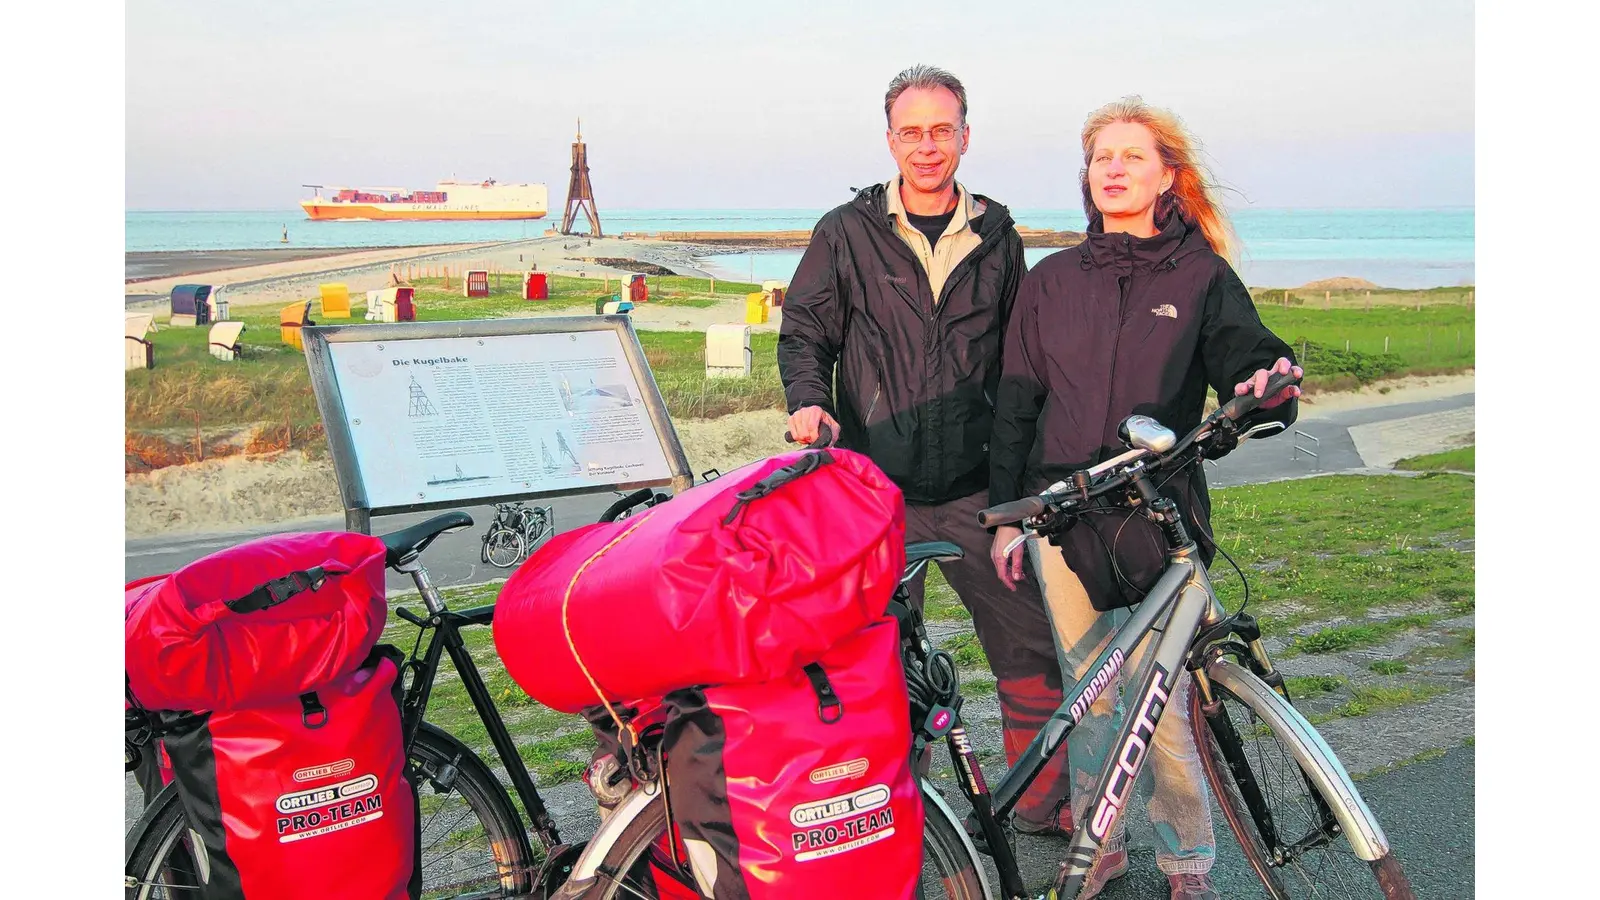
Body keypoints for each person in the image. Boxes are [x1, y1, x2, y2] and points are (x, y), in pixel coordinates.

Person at [988, 96, 1301, 900]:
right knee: (1091, 692)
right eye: (1102, 158)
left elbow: (1248, 356)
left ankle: (1186, 860)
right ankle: (1099, 845)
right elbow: (1018, 399)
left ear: (1168, 176)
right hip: (1061, 515)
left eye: (1133, 157)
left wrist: (1264, 385)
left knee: (1162, 704)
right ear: (1087, 177)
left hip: (1159, 514)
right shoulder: (1051, 279)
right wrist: (1007, 516)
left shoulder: (1201, 276)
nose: (1115, 170)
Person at [778, 64, 1075, 833]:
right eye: (911, 132)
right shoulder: (846, 232)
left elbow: (1023, 362)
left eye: (941, 130)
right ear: (890, 141)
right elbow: (806, 330)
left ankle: (1042, 808)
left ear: (965, 137)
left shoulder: (999, 237)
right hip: (877, 493)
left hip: (980, 490)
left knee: (1030, 650)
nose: (927, 147)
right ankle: (895, 820)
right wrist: (809, 400)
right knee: (874, 669)